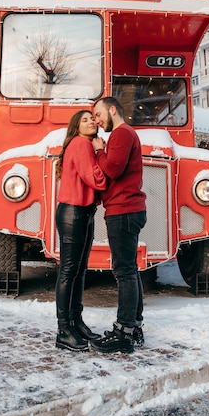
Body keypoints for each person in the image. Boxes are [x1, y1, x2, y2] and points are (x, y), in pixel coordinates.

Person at [91, 97, 147, 354]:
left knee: (124, 271)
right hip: (129, 210)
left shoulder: (122, 134)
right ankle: (133, 327)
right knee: (130, 270)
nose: (97, 120)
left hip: (123, 210)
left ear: (113, 110)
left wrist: (98, 149)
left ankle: (123, 332)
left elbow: (113, 169)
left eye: (99, 114)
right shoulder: (124, 135)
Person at [55, 110, 107, 352]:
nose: (91, 122)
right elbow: (96, 180)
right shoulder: (81, 144)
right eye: (84, 120)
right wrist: (99, 152)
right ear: (76, 126)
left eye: (92, 119)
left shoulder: (81, 143)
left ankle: (76, 322)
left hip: (82, 212)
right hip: (73, 213)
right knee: (69, 270)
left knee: (78, 270)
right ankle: (64, 330)